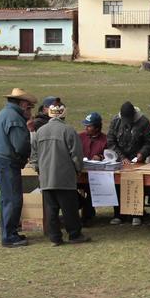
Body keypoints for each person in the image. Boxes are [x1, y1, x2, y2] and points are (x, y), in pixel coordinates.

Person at [32, 104, 91, 246]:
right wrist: (78, 170)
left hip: (46, 177)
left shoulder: (40, 132)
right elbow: (76, 154)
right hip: (64, 176)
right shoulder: (68, 130)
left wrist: (39, 169)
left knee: (51, 209)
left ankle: (55, 238)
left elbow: (34, 155)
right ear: (63, 115)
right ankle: (74, 235)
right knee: (69, 208)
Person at [0, 88, 37, 248]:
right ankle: (9, 236)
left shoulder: (4, 114)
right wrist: (25, 157)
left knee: (7, 199)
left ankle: (8, 232)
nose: (30, 111)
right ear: (23, 104)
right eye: (29, 107)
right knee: (13, 199)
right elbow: (21, 145)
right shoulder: (15, 118)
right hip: (9, 162)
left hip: (2, 160)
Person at [107, 101, 150, 225]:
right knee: (117, 185)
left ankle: (137, 214)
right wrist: (121, 157)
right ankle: (118, 214)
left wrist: (142, 154)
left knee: (136, 185)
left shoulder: (143, 122)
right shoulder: (116, 121)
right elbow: (111, 141)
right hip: (120, 160)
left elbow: (149, 142)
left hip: (137, 160)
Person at [78, 112, 107, 224]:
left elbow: (110, 155)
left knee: (92, 187)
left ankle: (87, 216)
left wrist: (100, 156)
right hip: (80, 172)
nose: (86, 128)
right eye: (85, 125)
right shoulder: (80, 137)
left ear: (97, 127)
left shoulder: (105, 140)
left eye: (89, 126)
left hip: (97, 175)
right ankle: (84, 205)